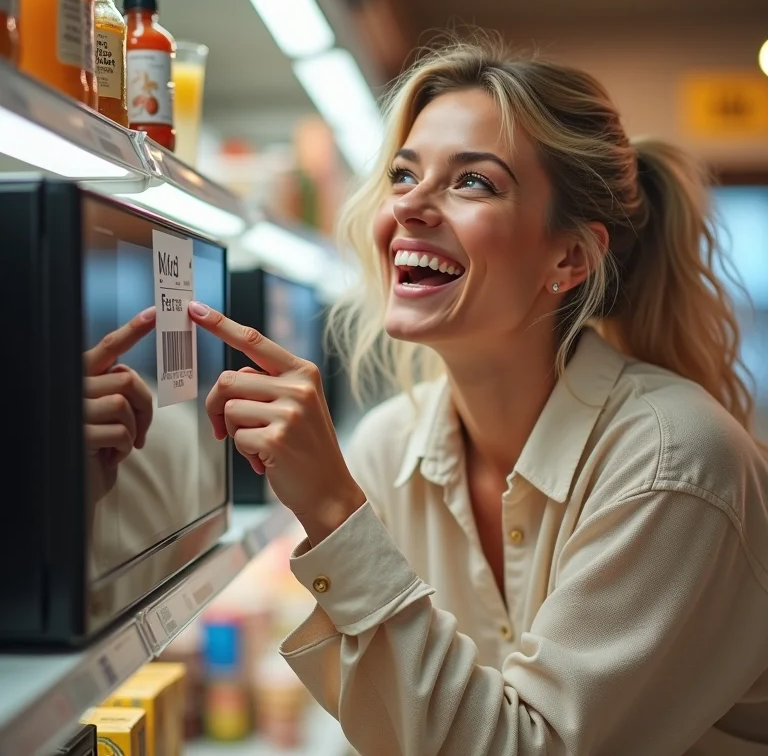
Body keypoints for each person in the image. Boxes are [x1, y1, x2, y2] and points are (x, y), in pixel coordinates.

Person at [186, 37, 768, 755]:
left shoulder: (674, 463)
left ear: (568, 258)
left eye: (473, 183)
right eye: (403, 175)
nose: (411, 208)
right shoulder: (389, 446)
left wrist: (335, 512)